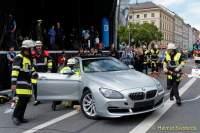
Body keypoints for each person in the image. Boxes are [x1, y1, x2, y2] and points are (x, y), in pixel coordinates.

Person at [11, 40, 37, 125]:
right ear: (26, 48)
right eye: (31, 48)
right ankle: (15, 117)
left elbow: (31, 69)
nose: (32, 50)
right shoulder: (19, 57)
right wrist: (13, 83)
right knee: (21, 101)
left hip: (27, 84)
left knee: (25, 101)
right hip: (20, 83)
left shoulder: (28, 58)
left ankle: (21, 117)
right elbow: (15, 70)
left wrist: (35, 74)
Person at [32, 41, 52, 105]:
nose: (38, 47)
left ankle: (45, 97)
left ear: (41, 46)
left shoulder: (46, 53)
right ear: (35, 46)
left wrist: (49, 69)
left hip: (44, 72)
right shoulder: (32, 53)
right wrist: (33, 71)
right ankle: (36, 99)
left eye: (39, 46)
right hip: (35, 73)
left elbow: (50, 61)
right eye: (37, 46)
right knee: (35, 86)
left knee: (44, 86)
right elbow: (30, 63)